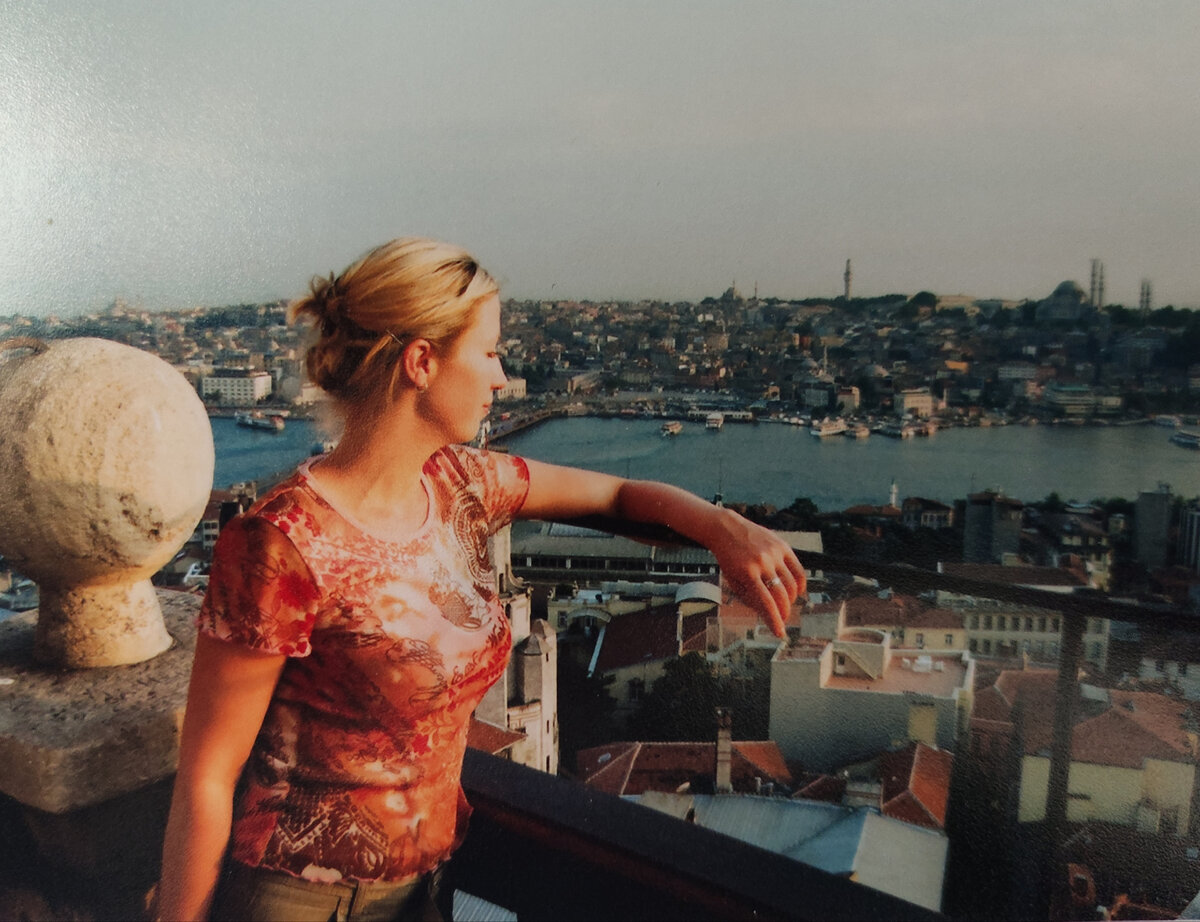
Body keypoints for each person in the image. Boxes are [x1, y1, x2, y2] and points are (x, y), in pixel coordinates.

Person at [155, 238, 806, 921]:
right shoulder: (283, 541)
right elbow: (207, 776)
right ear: (422, 362)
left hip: (423, 884)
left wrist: (723, 527)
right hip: (299, 900)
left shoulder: (461, 484)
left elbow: (617, 498)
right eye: (490, 352)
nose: (501, 377)